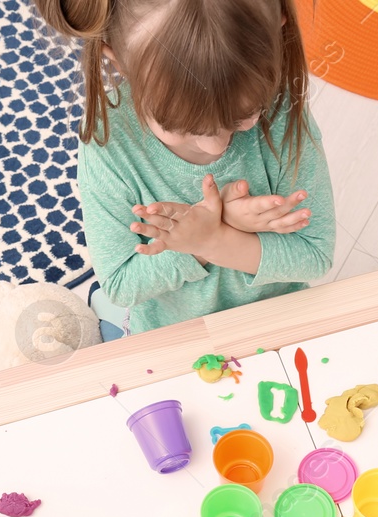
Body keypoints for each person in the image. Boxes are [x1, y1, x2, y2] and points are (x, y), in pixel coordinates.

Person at [39, 0, 335, 334]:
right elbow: (121, 284)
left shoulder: (283, 112)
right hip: (173, 337)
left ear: (278, 26)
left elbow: (315, 255)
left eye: (243, 116)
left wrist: (212, 237)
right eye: (182, 128)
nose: (217, 146)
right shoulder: (109, 144)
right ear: (118, 60)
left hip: (278, 320)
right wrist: (211, 232)